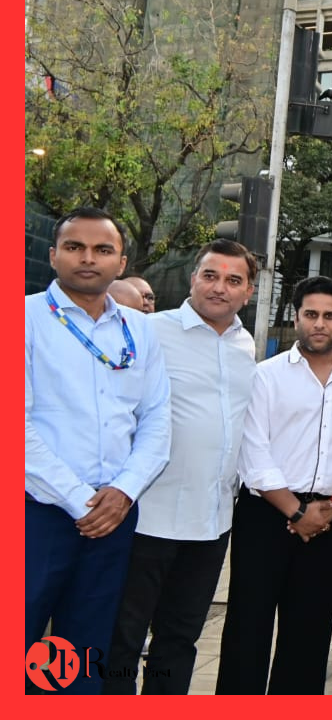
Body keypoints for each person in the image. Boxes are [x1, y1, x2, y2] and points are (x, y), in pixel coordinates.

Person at [26, 207, 171, 694]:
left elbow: (156, 419)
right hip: (37, 513)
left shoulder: (140, 328)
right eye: (74, 247)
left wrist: (124, 492)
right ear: (53, 255)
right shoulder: (22, 318)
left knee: (86, 650)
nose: (88, 258)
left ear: (120, 260)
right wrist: (80, 500)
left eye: (102, 250)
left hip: (114, 514)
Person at [104, 240, 258, 695]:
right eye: (210, 275)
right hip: (146, 518)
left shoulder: (245, 345)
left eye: (234, 280)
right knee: (123, 638)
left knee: (179, 639)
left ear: (248, 292)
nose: (219, 288)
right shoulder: (150, 330)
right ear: (193, 278)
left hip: (211, 525)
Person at [215, 276, 332, 695]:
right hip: (266, 516)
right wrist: (297, 513)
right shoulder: (265, 375)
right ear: (296, 315)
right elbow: (254, 451)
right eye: (311, 314)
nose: (319, 324)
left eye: (329, 316)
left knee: (311, 627)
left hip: (330, 518)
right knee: (249, 623)